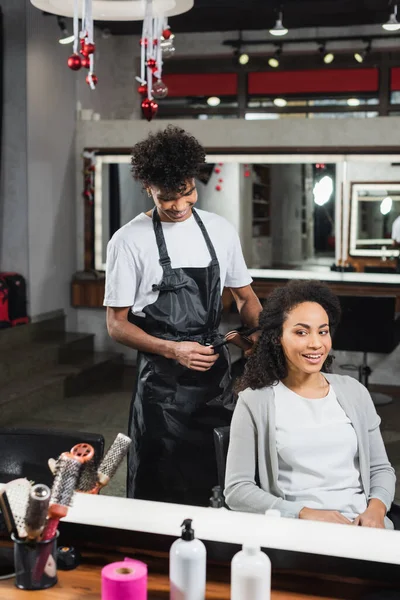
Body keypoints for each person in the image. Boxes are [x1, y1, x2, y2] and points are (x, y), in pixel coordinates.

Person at [104, 125, 262, 506]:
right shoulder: (128, 241)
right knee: (160, 482)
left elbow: (245, 296)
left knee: (218, 474)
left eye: (186, 193)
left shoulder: (220, 231)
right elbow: (116, 325)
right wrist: (174, 350)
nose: (177, 205)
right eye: (166, 197)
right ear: (148, 188)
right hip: (161, 387)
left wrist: (258, 335)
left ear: (195, 182)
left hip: (215, 380)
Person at [224, 280, 395, 528]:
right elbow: (237, 490)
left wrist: (377, 509)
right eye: (301, 332)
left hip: (364, 526)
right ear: (277, 338)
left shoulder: (354, 392)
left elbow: (381, 468)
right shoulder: (255, 402)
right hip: (299, 529)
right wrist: (303, 513)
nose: (316, 343)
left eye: (322, 331)